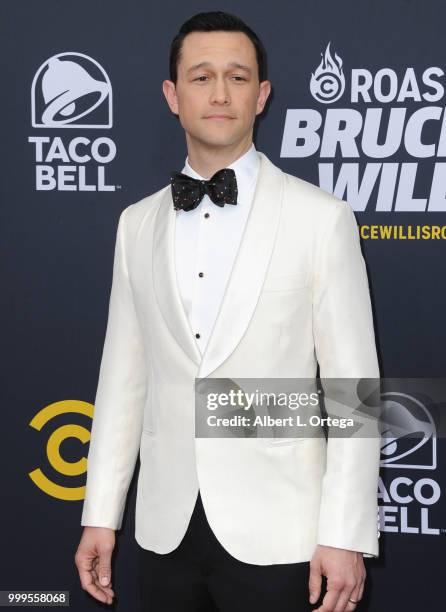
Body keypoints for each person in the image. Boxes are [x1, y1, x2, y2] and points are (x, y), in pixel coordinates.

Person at [75, 10, 381, 612]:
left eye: (238, 78)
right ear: (172, 95)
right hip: (163, 530)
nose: (220, 94)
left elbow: (354, 392)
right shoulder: (136, 224)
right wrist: (100, 515)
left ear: (262, 95)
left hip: (283, 533)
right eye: (201, 76)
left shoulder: (321, 219)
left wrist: (344, 533)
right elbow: (121, 382)